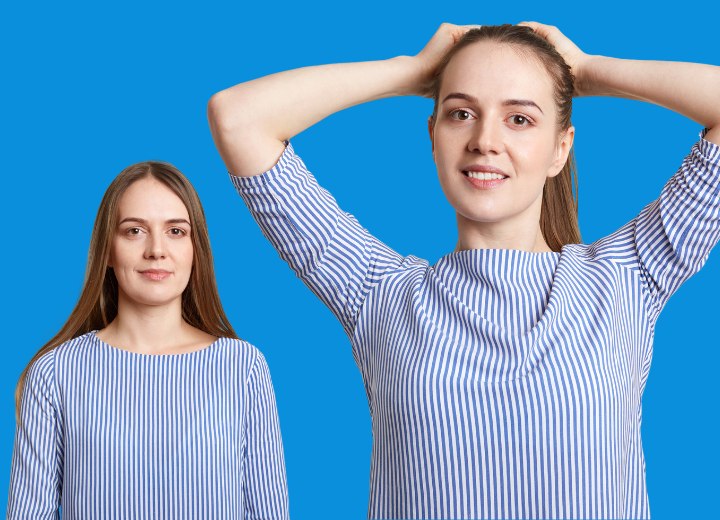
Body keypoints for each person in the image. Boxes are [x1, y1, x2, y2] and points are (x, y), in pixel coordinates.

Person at [207, 22, 720, 520]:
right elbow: (238, 118)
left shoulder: (626, 278)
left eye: (519, 118)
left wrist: (588, 71)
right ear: (433, 136)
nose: (484, 140)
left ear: (560, 148)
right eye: (460, 114)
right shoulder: (378, 294)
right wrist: (411, 71)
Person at [7, 161, 289, 519]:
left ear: (194, 250)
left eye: (175, 231)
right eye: (134, 231)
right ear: (107, 250)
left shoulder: (243, 367)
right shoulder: (55, 373)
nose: (156, 249)